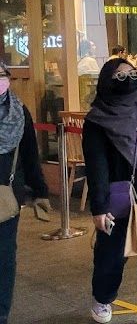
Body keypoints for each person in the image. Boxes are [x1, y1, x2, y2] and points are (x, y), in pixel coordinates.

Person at [83, 58, 137, 324]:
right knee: (112, 253)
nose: (129, 78)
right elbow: (96, 166)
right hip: (117, 194)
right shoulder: (97, 120)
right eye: (120, 75)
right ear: (108, 82)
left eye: (132, 73)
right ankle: (102, 297)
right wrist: (99, 208)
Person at [0, 62, 50, 324]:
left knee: (4, 258)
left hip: (6, 197)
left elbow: (31, 154)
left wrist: (40, 191)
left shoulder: (19, 112)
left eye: (2, 75)